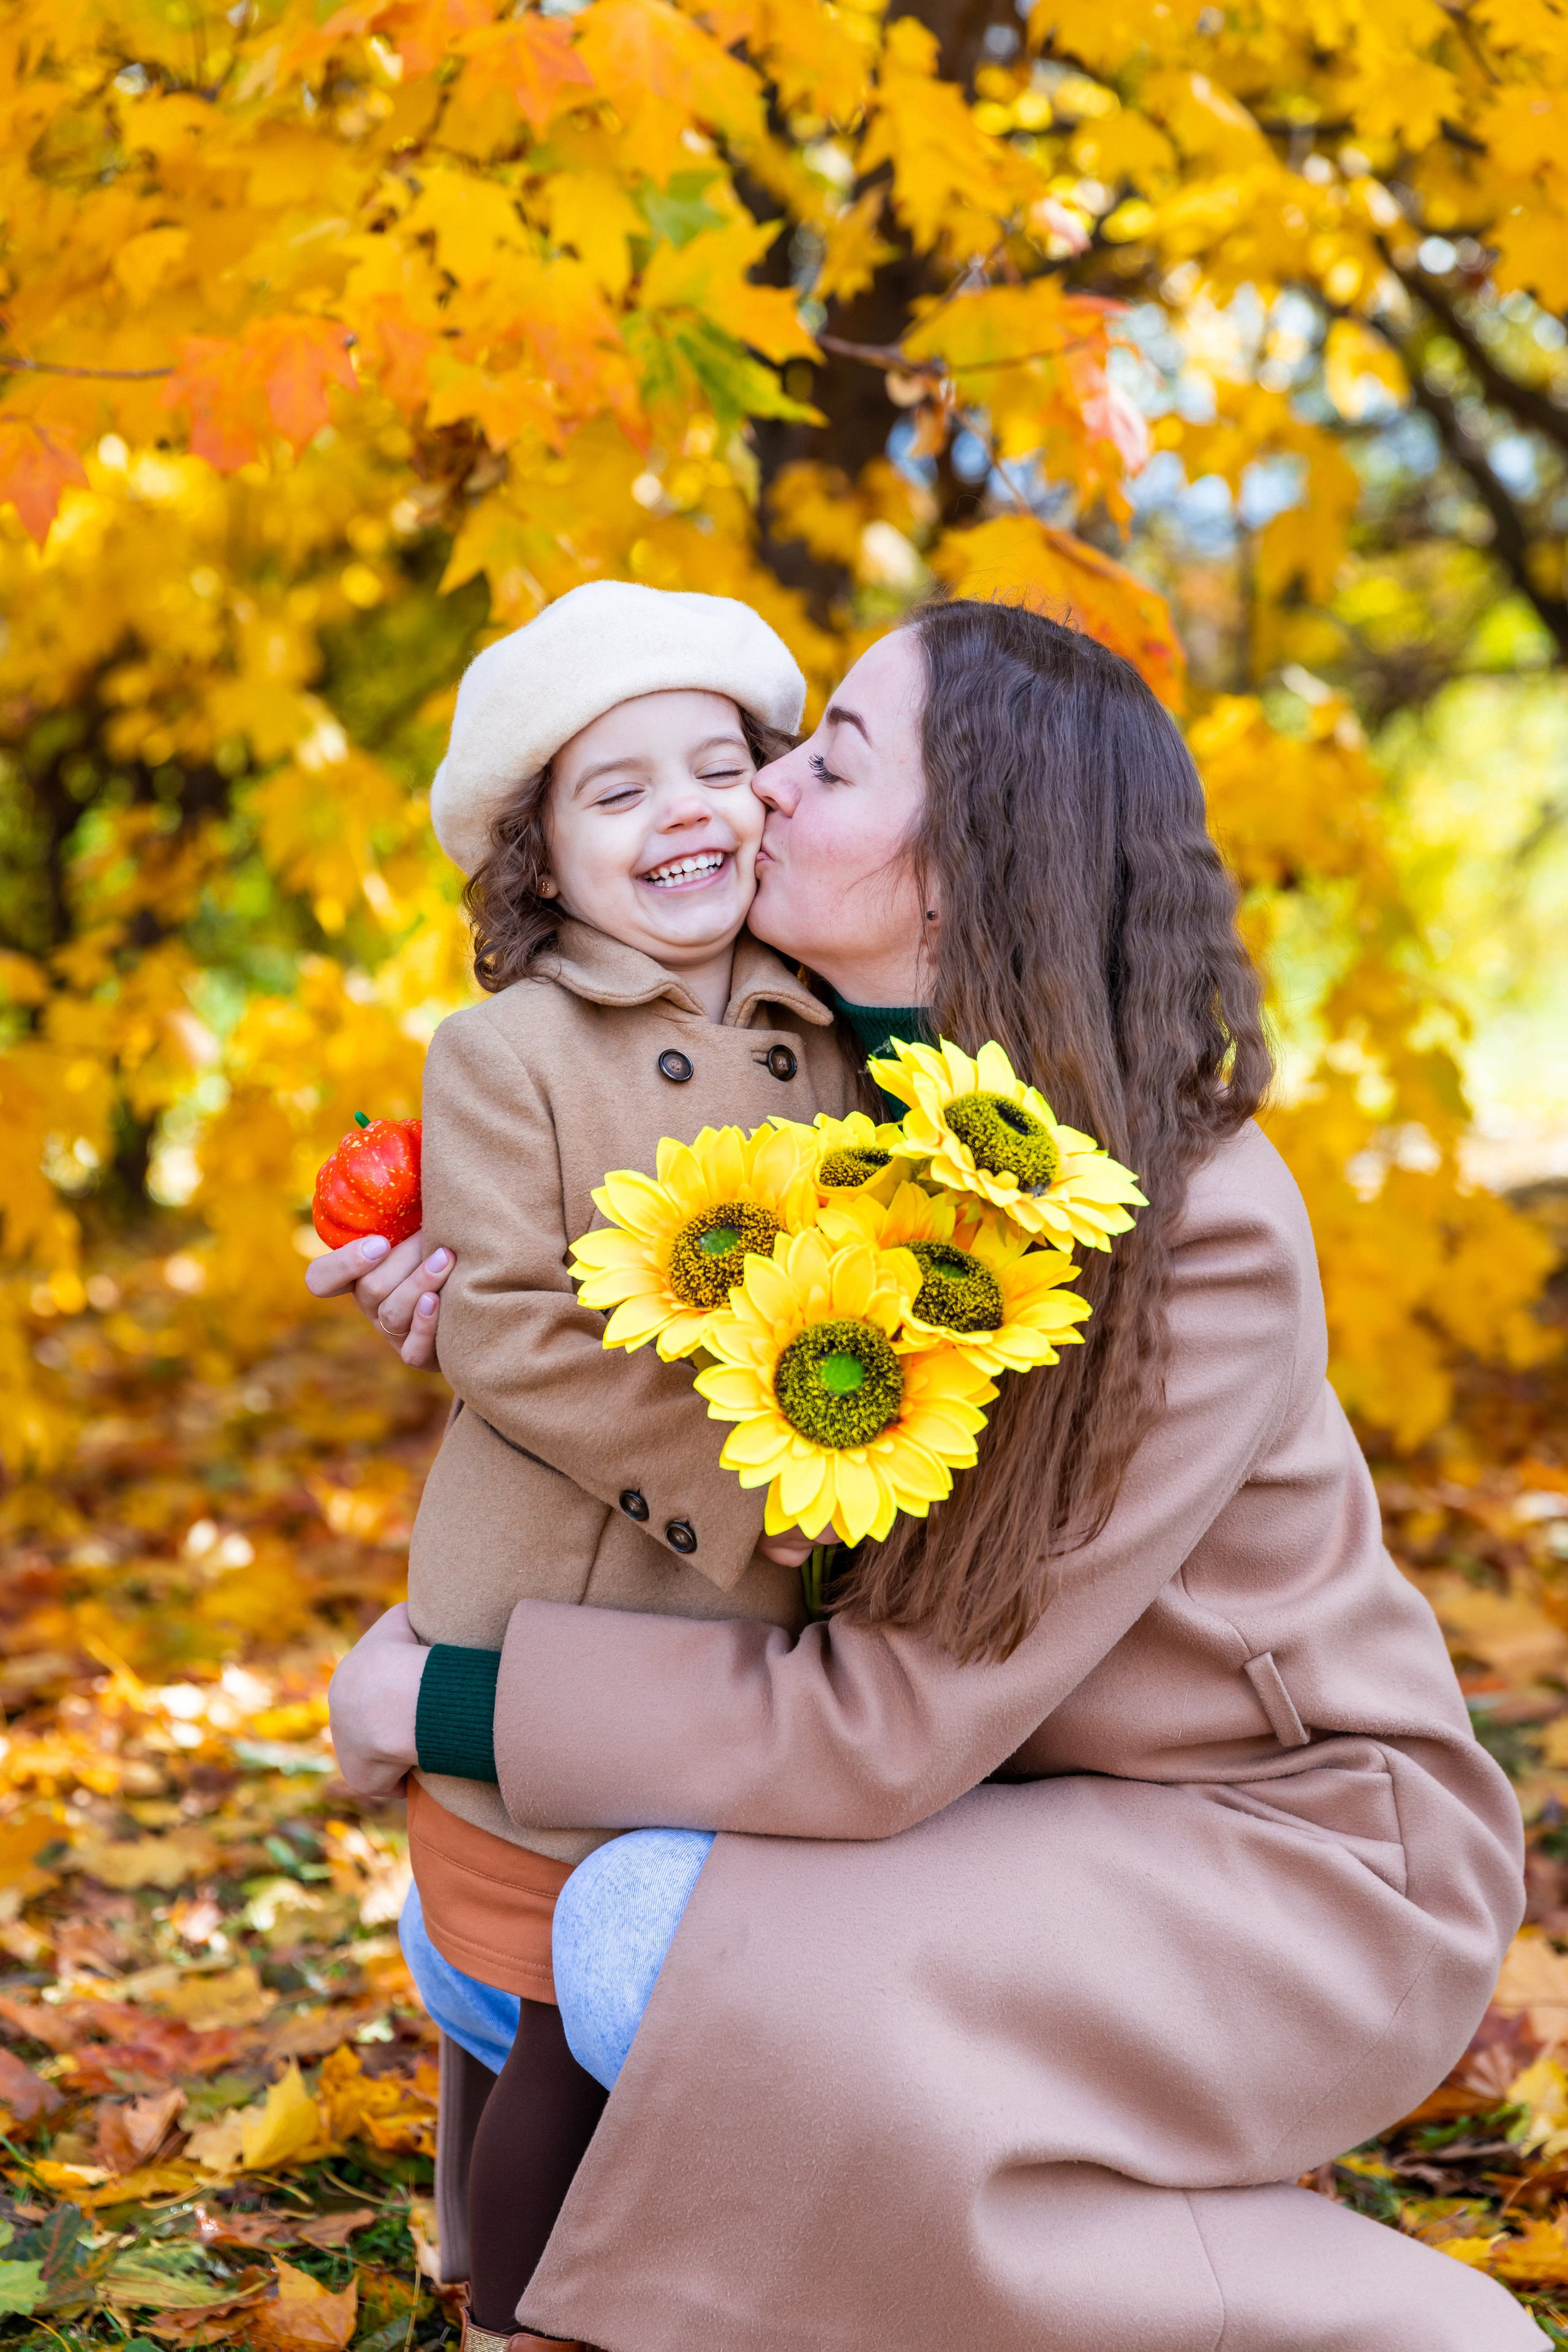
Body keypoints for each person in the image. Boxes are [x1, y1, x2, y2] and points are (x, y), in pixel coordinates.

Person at [321, 598, 1540, 2351]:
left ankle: (1329, 2309)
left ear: (959, 870)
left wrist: (445, 1703)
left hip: (1279, 1869)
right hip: (1015, 1798)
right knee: (492, 1936)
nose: (768, 792)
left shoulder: (1179, 1221)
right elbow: (683, 1347)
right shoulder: (847, 1090)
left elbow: (888, 1715)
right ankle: (1067, 2152)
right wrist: (467, 1300)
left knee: (635, 1934)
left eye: (829, 754)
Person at [387, 578, 864, 2352]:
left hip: (763, 1640)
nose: (684, 811)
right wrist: (759, 1473)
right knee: (554, 2019)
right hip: (561, 1614)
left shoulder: (837, 1034)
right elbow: (505, 1324)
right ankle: (513, 2315)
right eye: (618, 789)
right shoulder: (503, 1055)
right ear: (542, 861)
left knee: (674, 1992)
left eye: (719, 764)